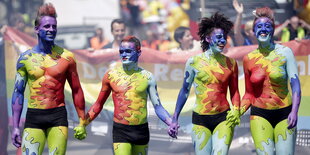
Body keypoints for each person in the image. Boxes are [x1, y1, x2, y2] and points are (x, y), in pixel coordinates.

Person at [74, 36, 172, 155]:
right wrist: (83, 124)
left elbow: (158, 107)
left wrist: (171, 123)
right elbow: (98, 104)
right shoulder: (111, 76)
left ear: (138, 52)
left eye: (128, 51)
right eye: (121, 51)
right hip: (121, 131)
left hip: (141, 131)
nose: (124, 54)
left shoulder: (148, 77)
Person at [11, 3, 86, 155]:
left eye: (54, 27)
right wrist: (15, 126)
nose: (51, 30)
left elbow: (77, 90)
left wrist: (82, 121)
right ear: (37, 29)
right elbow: (18, 92)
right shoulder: (25, 59)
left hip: (57, 116)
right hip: (34, 116)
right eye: (46, 27)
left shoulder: (67, 57)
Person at [168, 13, 241, 155]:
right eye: (218, 37)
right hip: (200, 119)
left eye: (224, 37)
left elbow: (235, 92)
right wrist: (174, 119)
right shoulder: (193, 62)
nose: (222, 41)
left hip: (223, 118)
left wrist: (236, 109)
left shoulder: (231, 63)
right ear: (208, 38)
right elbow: (184, 91)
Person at [241, 7, 301, 154]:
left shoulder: (285, 53)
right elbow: (249, 94)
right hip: (259, 115)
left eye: (267, 26)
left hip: (284, 114)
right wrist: (237, 111)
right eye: (259, 27)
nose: (263, 30)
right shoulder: (248, 59)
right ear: (254, 31)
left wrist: (294, 111)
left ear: (273, 30)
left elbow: (295, 85)